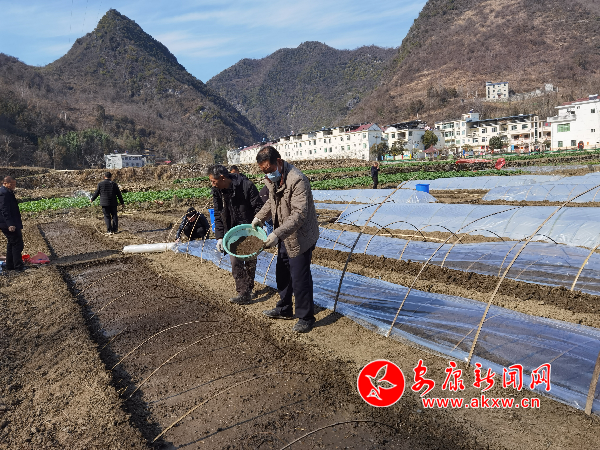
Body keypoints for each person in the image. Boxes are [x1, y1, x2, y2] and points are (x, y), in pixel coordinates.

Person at [251, 146, 319, 333]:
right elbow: (271, 201)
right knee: (282, 272)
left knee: (300, 278)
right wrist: (259, 217)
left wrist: (277, 234)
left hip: (300, 236)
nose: (267, 174)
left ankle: (306, 317)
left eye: (269, 169)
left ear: (279, 162)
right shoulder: (273, 179)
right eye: (263, 171)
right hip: (284, 233)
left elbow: (299, 215)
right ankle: (284, 308)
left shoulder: (297, 180)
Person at [209, 164, 264, 304]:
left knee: (250, 261)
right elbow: (218, 213)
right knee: (235, 262)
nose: (212, 184)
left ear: (222, 178)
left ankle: (248, 288)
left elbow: (258, 206)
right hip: (232, 231)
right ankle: (243, 292)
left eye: (213, 181)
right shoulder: (217, 191)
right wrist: (219, 237)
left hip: (249, 229)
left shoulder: (246, 186)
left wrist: (258, 222)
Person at [0, 176, 25, 272]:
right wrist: (10, 224)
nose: (14, 185)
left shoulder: (7, 192)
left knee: (12, 243)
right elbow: (5, 210)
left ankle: (10, 265)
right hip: (7, 223)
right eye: (11, 184)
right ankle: (18, 267)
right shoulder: (4, 193)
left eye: (14, 184)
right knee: (17, 244)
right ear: (5, 183)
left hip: (8, 222)